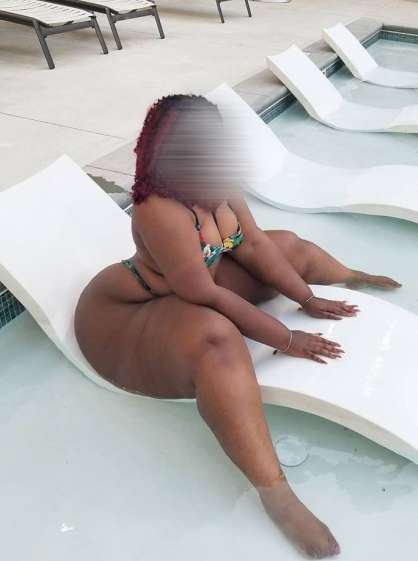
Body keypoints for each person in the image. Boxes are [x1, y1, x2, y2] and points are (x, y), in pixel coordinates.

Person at [74, 94, 400, 559]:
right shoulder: (159, 210)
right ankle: (275, 493)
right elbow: (205, 296)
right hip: (126, 316)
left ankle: (350, 274)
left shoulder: (217, 183)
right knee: (217, 338)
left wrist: (308, 298)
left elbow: (257, 246)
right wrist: (286, 338)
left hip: (195, 284)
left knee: (288, 247)